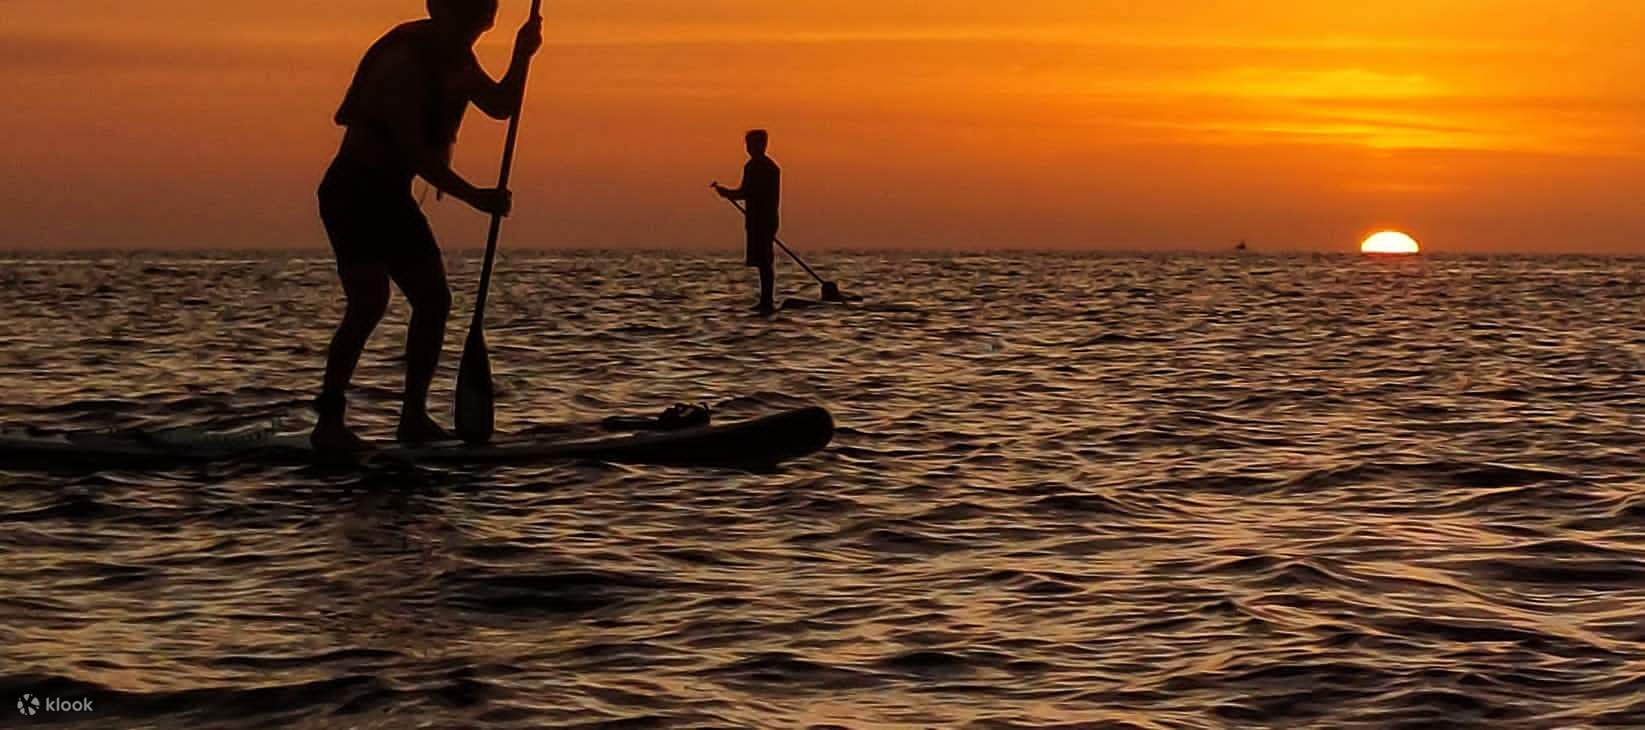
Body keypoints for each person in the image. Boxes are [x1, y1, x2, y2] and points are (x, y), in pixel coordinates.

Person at [312, 0, 542, 452]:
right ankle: (329, 421)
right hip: (353, 192)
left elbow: (500, 105)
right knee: (369, 301)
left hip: (392, 198)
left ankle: (413, 418)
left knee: (434, 301)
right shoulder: (404, 62)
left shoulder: (455, 52)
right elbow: (415, 154)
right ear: (443, 10)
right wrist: (477, 197)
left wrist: (521, 54)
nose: (477, 24)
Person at [713, 130, 782, 314]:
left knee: (764, 261)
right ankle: (766, 299)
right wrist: (730, 193)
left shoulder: (761, 167)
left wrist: (728, 194)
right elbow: (748, 191)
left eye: (752, 144)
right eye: (748, 144)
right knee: (762, 261)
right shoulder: (760, 166)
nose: (749, 148)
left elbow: (749, 192)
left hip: (763, 220)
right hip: (759, 219)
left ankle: (767, 301)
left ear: (762, 145)